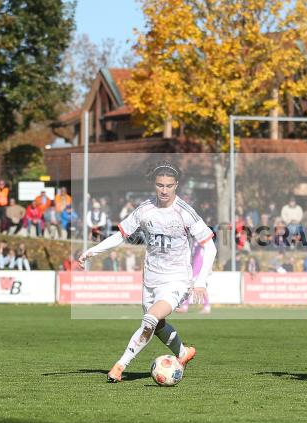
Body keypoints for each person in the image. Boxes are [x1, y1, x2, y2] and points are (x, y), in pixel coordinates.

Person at [78, 161, 216, 383]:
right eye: (160, 185)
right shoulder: (144, 210)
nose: (164, 190)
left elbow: (210, 245)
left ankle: (119, 366)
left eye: (169, 186)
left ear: (176, 185)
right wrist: (93, 250)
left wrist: (201, 282)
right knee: (157, 325)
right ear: (154, 184)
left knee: (151, 318)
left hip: (177, 280)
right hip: (151, 278)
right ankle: (182, 353)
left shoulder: (185, 212)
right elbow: (121, 235)